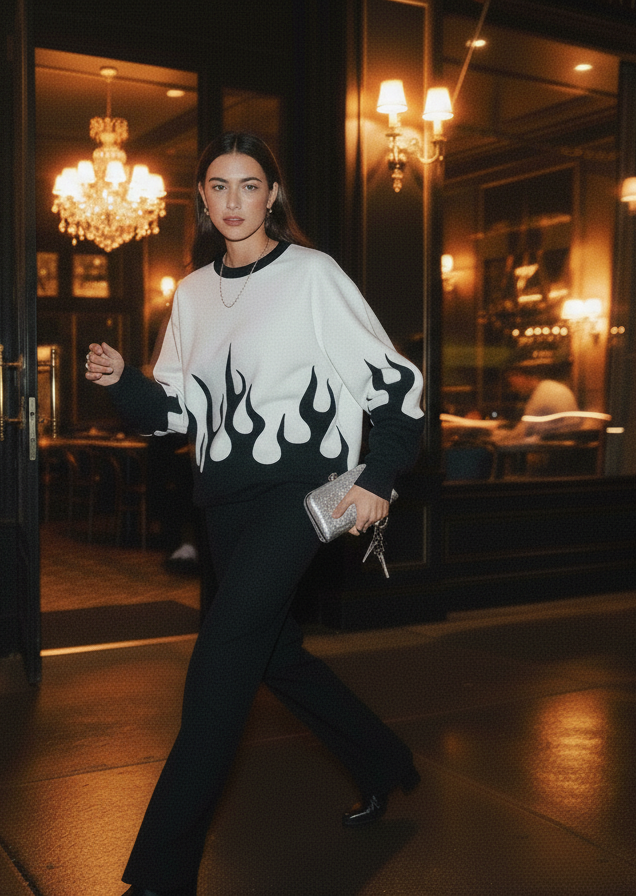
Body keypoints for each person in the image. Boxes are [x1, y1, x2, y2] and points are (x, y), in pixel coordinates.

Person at [85, 131, 425, 896]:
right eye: (218, 186)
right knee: (273, 656)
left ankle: (159, 873)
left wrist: (376, 476)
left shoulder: (312, 275)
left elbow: (395, 386)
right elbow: (175, 414)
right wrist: (123, 382)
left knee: (219, 665)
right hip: (224, 504)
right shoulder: (191, 293)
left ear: (272, 195)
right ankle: (383, 762)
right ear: (201, 200)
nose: (232, 201)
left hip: (301, 496)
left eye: (248, 185)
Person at [492, 353, 579, 444]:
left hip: (557, 447)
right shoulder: (549, 387)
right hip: (564, 443)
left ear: (521, 375)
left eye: (511, 376)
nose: (512, 387)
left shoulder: (542, 395)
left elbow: (519, 435)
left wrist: (495, 438)